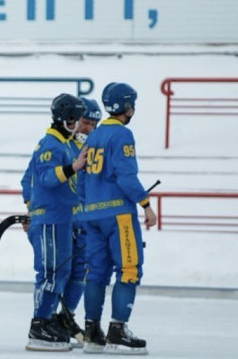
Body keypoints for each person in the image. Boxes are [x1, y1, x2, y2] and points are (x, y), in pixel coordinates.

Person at [78, 82, 157, 355]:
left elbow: (81, 178)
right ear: (126, 106)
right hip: (118, 215)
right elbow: (126, 176)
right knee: (129, 269)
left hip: (93, 215)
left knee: (96, 274)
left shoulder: (94, 135)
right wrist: (145, 204)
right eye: (132, 103)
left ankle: (91, 331)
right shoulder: (122, 135)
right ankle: (117, 331)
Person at [20, 97, 101, 348]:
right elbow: (40, 179)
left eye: (90, 123)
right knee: (52, 272)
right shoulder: (51, 145)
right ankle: (40, 324)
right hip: (52, 217)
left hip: (70, 219)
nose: (84, 127)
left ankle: (59, 319)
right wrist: (32, 210)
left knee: (70, 272)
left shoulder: (69, 144)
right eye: (81, 121)